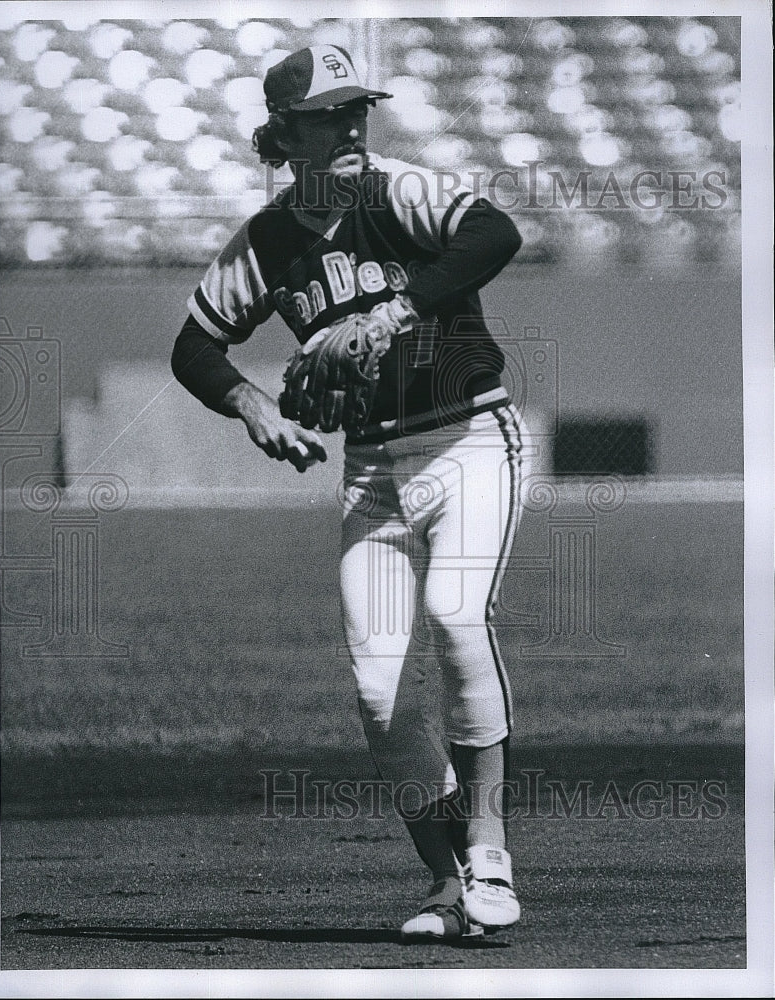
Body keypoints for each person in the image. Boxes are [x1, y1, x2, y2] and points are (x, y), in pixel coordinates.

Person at [171, 43, 525, 942]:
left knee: (454, 615)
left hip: (468, 439)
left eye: (357, 108)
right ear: (285, 132)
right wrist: (251, 404)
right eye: (330, 114)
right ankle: (449, 888)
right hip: (370, 469)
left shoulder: (395, 191)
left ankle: (489, 851)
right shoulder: (267, 240)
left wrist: (397, 308)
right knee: (376, 694)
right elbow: (195, 346)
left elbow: (495, 234)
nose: (352, 125)